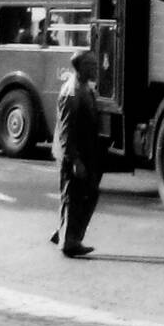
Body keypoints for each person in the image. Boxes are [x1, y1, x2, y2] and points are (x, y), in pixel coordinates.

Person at [51, 49, 104, 257]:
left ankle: (66, 233)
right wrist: (74, 160)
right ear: (80, 68)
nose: (95, 68)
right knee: (74, 196)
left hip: (83, 152)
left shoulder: (84, 88)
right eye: (91, 65)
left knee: (83, 194)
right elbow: (66, 131)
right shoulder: (72, 92)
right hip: (73, 154)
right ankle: (69, 242)